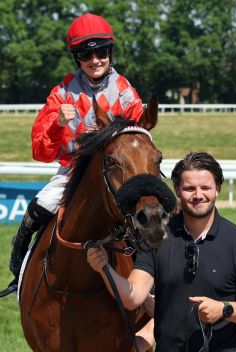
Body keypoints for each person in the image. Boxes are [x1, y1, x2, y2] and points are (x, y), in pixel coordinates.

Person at [8, 13, 143, 289]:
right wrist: (58, 124)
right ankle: (19, 274)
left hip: (116, 172)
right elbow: (40, 151)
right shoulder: (61, 93)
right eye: (85, 53)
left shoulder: (126, 94)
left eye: (102, 51)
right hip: (73, 171)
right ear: (76, 57)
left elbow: (138, 143)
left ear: (110, 52)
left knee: (147, 218)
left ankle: (154, 283)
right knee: (38, 209)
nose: (95, 60)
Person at [87, 152, 236, 352]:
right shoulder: (157, 238)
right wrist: (104, 268)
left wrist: (224, 309)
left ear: (218, 189)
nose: (198, 195)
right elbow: (133, 296)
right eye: (189, 188)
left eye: (205, 188)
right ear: (177, 190)